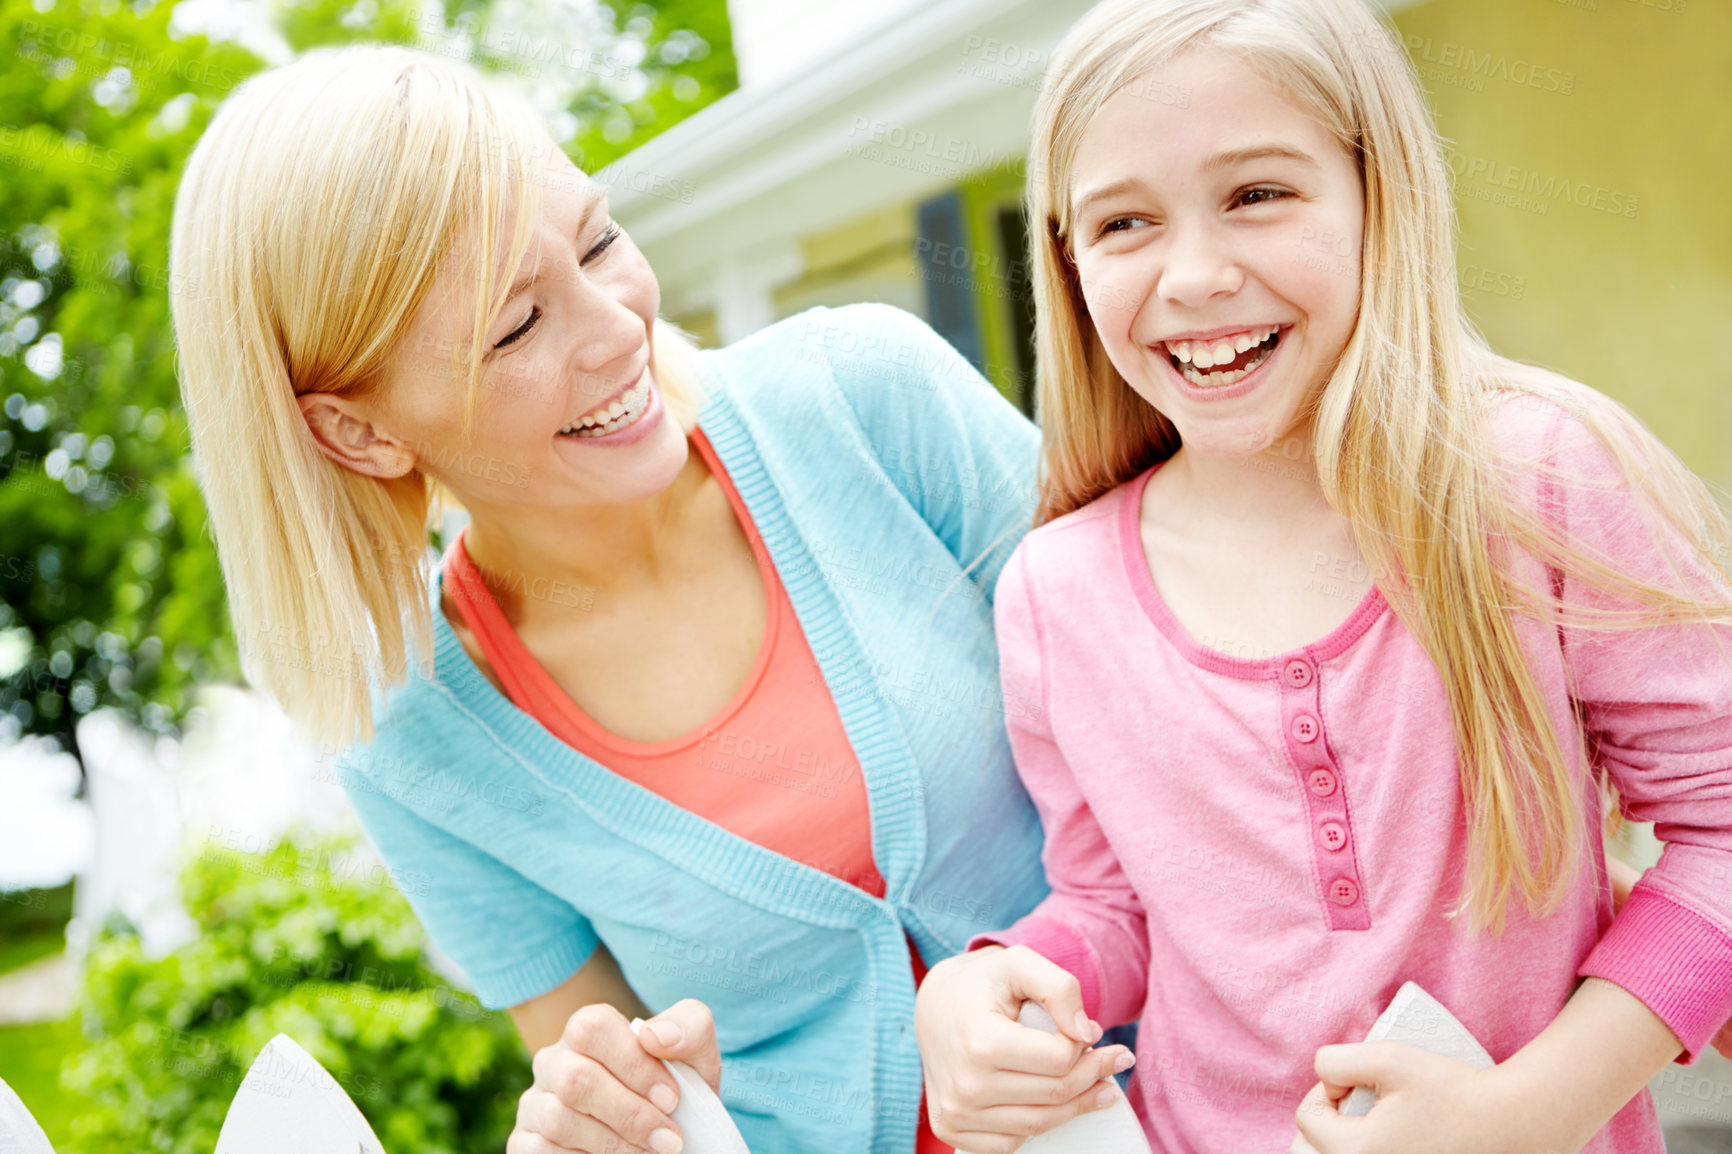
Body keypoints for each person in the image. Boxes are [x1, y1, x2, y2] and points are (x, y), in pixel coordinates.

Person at [164, 44, 1128, 1154]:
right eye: (517, 325)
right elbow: (612, 1061)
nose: (620, 324)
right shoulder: (414, 734)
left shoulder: (864, 396)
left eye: (600, 239)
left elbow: (1181, 718)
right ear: (360, 430)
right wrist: (606, 1102)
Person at [912, 1, 1732, 1152]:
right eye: (1123, 222)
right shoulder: (1054, 589)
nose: (1194, 275)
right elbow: (1118, 907)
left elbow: (1719, 828)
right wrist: (989, 983)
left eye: (1257, 194)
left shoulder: (1537, 477)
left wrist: (1520, 1113)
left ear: (1376, 192)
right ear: (1066, 262)